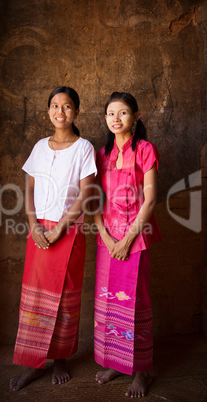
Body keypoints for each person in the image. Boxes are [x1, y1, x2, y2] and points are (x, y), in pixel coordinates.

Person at [10, 86, 97, 391]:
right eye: (55, 106)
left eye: (67, 106)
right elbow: (30, 190)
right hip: (39, 232)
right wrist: (33, 226)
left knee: (64, 298)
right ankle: (34, 364)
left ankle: (61, 359)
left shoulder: (84, 147)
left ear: (76, 111)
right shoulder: (39, 147)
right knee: (35, 298)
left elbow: (87, 194)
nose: (60, 112)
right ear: (48, 110)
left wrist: (60, 227)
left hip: (68, 231)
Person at [92, 92, 161, 398]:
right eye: (111, 113)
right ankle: (117, 363)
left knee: (136, 301)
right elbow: (92, 199)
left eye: (123, 113)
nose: (116, 118)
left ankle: (143, 371)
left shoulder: (144, 149)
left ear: (136, 117)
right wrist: (108, 239)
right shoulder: (101, 153)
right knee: (110, 302)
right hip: (107, 237)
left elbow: (151, 199)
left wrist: (128, 239)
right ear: (105, 119)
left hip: (136, 236)